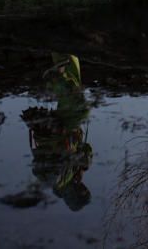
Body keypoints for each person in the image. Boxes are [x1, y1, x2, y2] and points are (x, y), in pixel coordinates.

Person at [20, 53, 93, 211]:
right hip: (62, 131)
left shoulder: (57, 180)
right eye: (84, 188)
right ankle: (64, 55)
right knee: (75, 87)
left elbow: (66, 155)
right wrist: (82, 166)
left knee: (81, 109)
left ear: (73, 195)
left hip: (57, 132)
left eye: (81, 190)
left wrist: (80, 164)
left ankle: (54, 76)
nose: (82, 186)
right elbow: (85, 148)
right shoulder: (66, 178)